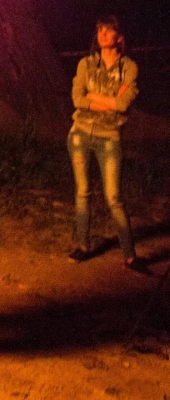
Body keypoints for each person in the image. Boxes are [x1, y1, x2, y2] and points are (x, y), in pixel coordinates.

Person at [67, 16, 151, 273]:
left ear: (119, 37)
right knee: (83, 192)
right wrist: (108, 101)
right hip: (80, 134)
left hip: (109, 137)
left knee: (114, 197)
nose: (102, 34)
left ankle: (130, 256)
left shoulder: (129, 68)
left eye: (108, 30)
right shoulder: (86, 64)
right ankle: (83, 246)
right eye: (100, 30)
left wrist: (93, 96)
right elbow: (77, 99)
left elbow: (123, 104)